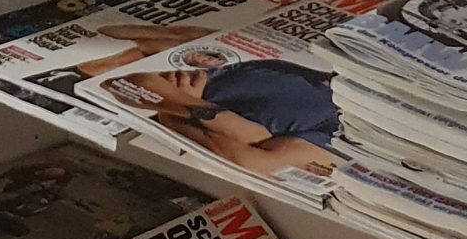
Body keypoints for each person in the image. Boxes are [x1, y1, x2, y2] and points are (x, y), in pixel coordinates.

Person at [105, 54, 342, 183]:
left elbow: (249, 161)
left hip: (182, 163)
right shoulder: (283, 67)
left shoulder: (342, 131)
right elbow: (128, 82)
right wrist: (217, 119)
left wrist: (172, 115)